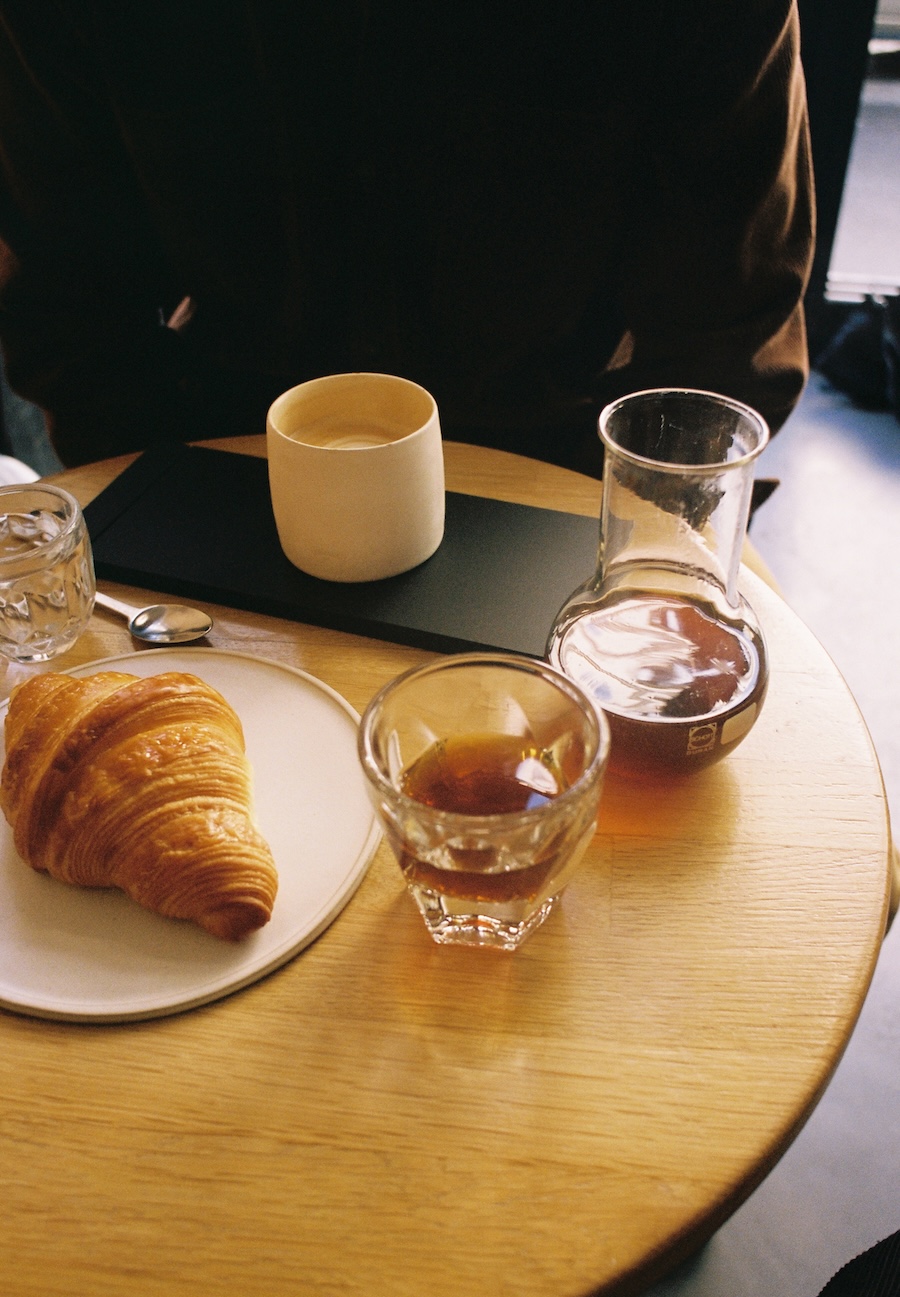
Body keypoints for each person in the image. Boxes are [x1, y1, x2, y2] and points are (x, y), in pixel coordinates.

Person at [0, 1, 814, 470]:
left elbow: (726, 348)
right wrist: (165, 517)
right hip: (217, 438)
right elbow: (69, 302)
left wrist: (625, 556)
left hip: (558, 452)